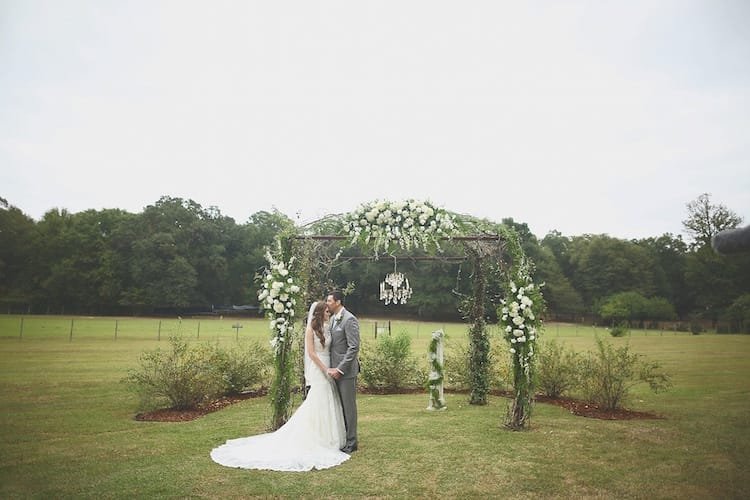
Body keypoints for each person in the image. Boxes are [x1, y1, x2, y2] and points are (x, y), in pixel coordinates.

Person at [210, 301, 350, 471]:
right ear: (320, 313)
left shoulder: (327, 327)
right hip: (319, 367)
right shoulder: (310, 329)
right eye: (327, 312)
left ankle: (329, 436)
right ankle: (314, 436)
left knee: (328, 399)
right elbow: (312, 354)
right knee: (318, 399)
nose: (329, 313)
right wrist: (325, 369)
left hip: (328, 364)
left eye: (329, 311)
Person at [325, 290, 360, 453]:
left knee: (349, 407)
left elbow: (354, 347)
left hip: (346, 372)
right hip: (333, 370)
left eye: (330, 301)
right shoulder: (332, 319)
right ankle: (343, 437)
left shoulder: (349, 319)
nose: (327, 304)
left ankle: (352, 442)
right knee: (338, 407)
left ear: (338, 302)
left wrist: (340, 369)